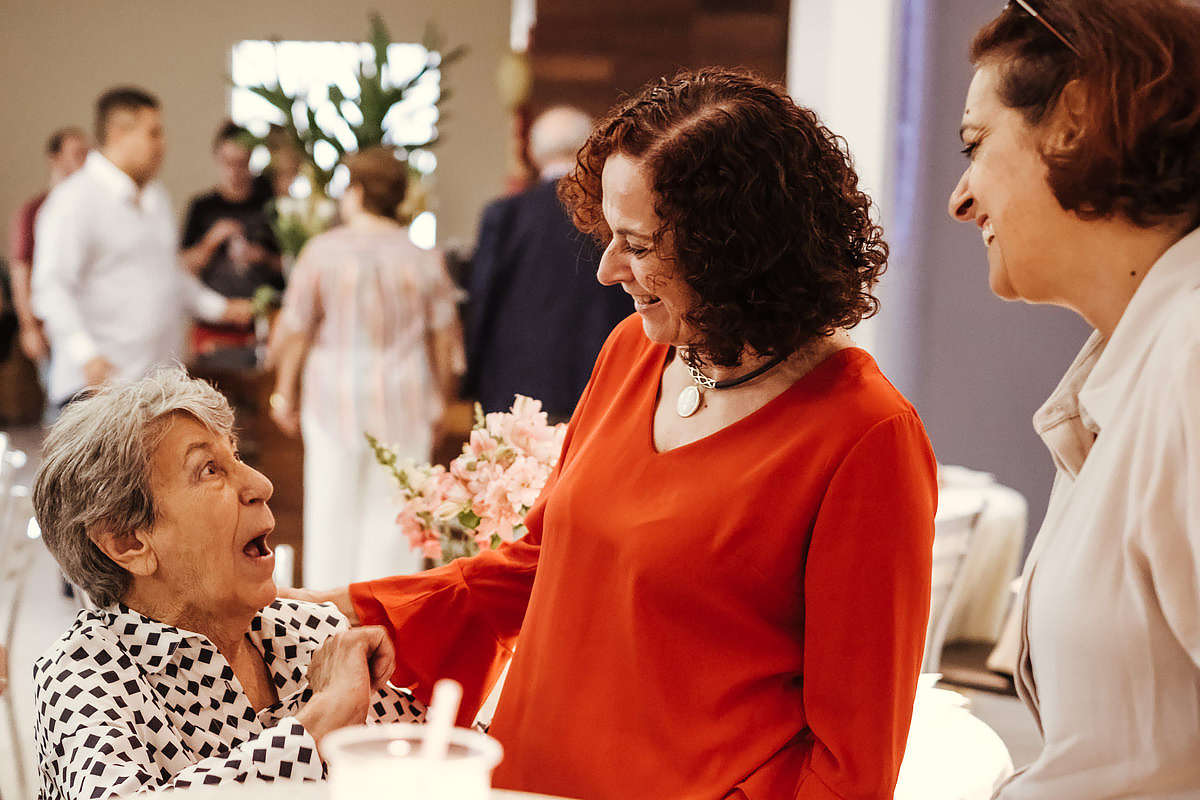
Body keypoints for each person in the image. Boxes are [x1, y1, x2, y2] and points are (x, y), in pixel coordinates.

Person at [301, 68, 937, 798]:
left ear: (735, 251)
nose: (607, 270)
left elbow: (852, 760)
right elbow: (544, 564)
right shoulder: (634, 353)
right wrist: (365, 613)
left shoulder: (864, 435)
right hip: (527, 780)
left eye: (635, 243)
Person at [946, 1, 1200, 796]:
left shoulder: (1191, 354)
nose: (960, 198)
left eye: (975, 145)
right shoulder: (1133, 366)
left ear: (1076, 117)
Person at [31, 369, 425, 799]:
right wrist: (319, 724)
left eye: (236, 455)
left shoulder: (309, 631)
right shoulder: (83, 675)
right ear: (129, 542)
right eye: (208, 469)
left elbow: (437, 765)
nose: (261, 484)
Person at [269, 146, 463, 588]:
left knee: (330, 510)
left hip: (332, 395)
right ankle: (385, 622)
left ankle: (327, 623)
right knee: (395, 515)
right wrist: (441, 401)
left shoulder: (321, 252)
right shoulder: (423, 256)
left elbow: (297, 329)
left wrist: (284, 392)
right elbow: (443, 341)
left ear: (355, 191)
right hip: (406, 396)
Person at [32, 87, 252, 407]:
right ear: (119, 134)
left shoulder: (156, 198)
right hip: (98, 387)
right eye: (153, 134)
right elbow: (50, 288)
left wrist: (220, 309)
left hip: (153, 385)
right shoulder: (74, 200)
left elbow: (168, 275)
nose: (162, 146)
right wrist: (87, 354)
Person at [464, 106, 630, 420]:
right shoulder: (612, 214)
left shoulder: (506, 215)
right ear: (588, 149)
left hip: (516, 383)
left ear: (532, 151)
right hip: (602, 379)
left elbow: (483, 301)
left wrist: (472, 379)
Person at [180, 120, 283, 354]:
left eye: (241, 163)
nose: (234, 171)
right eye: (228, 162)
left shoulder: (269, 207)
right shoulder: (202, 207)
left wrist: (263, 258)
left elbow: (289, 267)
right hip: (213, 328)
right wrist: (210, 242)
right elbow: (182, 267)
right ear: (217, 158)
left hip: (260, 327)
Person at [7, 127, 88, 367]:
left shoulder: (88, 209)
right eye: (78, 153)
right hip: (50, 329)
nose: (85, 161)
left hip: (87, 327)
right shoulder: (34, 211)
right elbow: (21, 270)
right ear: (55, 159)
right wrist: (29, 327)